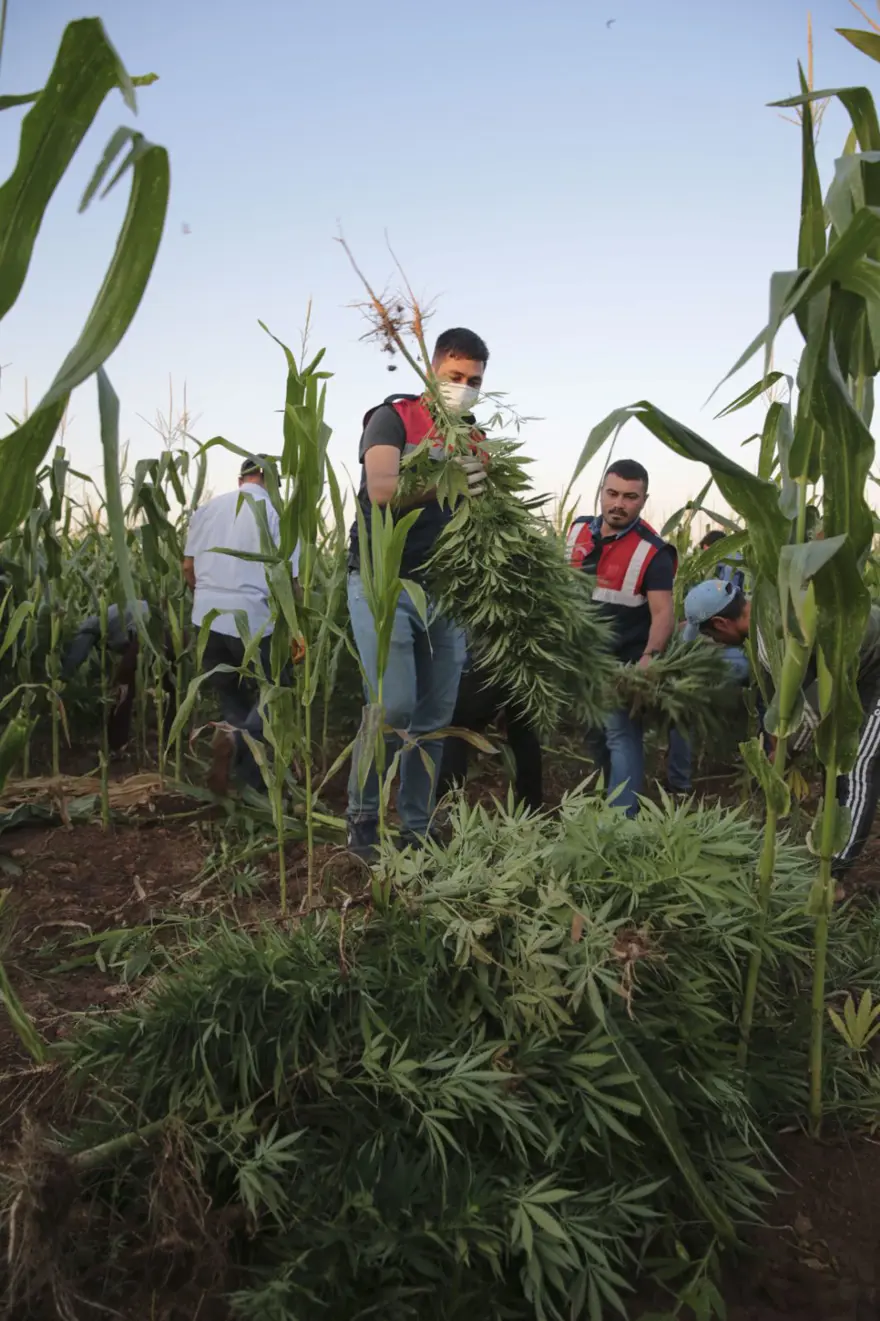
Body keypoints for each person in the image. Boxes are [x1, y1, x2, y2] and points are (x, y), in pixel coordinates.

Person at [346, 327, 490, 859]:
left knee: (433, 719)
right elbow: (383, 490)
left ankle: (416, 826)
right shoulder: (394, 418)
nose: (463, 388)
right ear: (432, 370)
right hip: (383, 581)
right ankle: (362, 816)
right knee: (393, 707)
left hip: (445, 590)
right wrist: (449, 480)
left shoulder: (472, 436)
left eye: (473, 381)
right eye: (455, 376)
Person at [683, 577, 880, 872]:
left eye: (709, 634)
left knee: (857, 766)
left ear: (721, 623)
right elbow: (789, 698)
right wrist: (781, 747)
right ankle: (834, 847)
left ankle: (833, 875)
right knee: (837, 760)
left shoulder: (774, 635)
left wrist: (785, 754)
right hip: (854, 669)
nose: (714, 641)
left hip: (873, 666)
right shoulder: (765, 613)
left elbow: (813, 702)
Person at [183, 455, 299, 795]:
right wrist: (296, 628)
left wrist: (207, 597)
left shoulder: (207, 510)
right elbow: (290, 581)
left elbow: (188, 567)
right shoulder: (276, 515)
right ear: (271, 482)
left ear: (240, 480)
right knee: (276, 693)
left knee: (232, 697)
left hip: (207, 620)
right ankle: (244, 755)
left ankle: (244, 772)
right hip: (253, 620)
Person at [568, 460, 677, 816]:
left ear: (644, 500)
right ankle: (607, 795)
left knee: (620, 735)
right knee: (595, 734)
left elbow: (663, 613)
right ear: (601, 492)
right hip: (583, 659)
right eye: (612, 493)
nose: (619, 504)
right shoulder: (577, 530)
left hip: (622, 663)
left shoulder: (653, 552)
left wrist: (648, 660)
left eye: (630, 497)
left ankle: (622, 821)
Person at [60, 601, 175, 752]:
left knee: (122, 689)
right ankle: (172, 739)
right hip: (169, 633)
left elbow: (76, 657)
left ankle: (117, 744)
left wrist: (62, 678)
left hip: (144, 634)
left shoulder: (87, 628)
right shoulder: (111, 615)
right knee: (174, 688)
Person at [436, 652, 543, 813]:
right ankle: (532, 807)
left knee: (455, 730)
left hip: (480, 664)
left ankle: (447, 809)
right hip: (521, 662)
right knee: (524, 731)